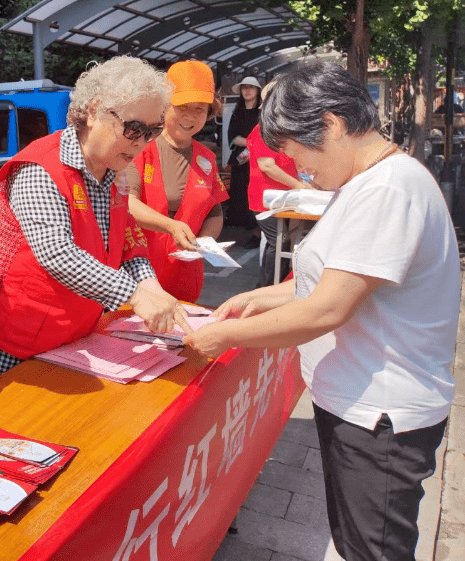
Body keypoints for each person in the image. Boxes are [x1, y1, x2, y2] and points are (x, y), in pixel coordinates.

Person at [184, 62, 459, 561]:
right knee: (356, 541)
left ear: (330, 125)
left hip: (382, 416)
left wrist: (221, 338)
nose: (297, 167)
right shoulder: (365, 182)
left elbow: (328, 309)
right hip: (362, 405)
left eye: (293, 150)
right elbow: (329, 279)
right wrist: (255, 298)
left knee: (370, 551)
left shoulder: (387, 190)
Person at [0, 56, 192, 390]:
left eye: (152, 132)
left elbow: (126, 238)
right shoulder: (39, 167)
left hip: (73, 333)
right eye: (133, 129)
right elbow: (57, 253)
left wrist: (151, 286)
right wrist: (135, 294)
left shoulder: (114, 173)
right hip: (11, 336)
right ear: (95, 110)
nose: (141, 143)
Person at [126, 60, 228, 303]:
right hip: (141, 274)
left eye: (200, 109)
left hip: (185, 275)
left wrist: (204, 242)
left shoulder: (207, 158)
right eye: (183, 106)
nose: (190, 117)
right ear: (164, 106)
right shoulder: (141, 148)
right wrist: (170, 226)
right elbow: (127, 202)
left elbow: (215, 213)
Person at [246, 82, 312, 287]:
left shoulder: (282, 131)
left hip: (284, 198)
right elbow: (267, 166)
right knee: (279, 241)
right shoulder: (262, 131)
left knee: (282, 241)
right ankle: (268, 287)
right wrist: (298, 185)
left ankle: (272, 286)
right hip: (265, 199)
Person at [225, 75, 262, 234]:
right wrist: (251, 144)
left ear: (257, 90)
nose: (247, 90)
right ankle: (237, 219)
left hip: (258, 159)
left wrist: (251, 145)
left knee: (253, 189)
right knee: (239, 188)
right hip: (240, 159)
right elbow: (232, 136)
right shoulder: (236, 112)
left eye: (251, 87)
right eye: (244, 87)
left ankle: (253, 222)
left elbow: (265, 135)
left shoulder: (263, 112)